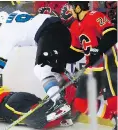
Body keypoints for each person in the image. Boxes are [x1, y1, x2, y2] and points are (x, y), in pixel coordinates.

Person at [0, 9, 84, 127]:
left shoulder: (5, 30)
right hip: (62, 31)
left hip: (48, 32)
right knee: (54, 70)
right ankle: (68, 105)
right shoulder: (17, 14)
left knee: (41, 69)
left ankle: (59, 102)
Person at [65, 1, 117, 129]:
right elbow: (76, 52)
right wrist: (59, 59)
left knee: (113, 100)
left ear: (78, 7)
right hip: (92, 67)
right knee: (81, 103)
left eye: (71, 8)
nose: (69, 11)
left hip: (108, 63)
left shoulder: (95, 16)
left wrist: (98, 50)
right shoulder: (74, 26)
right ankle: (113, 117)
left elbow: (112, 34)